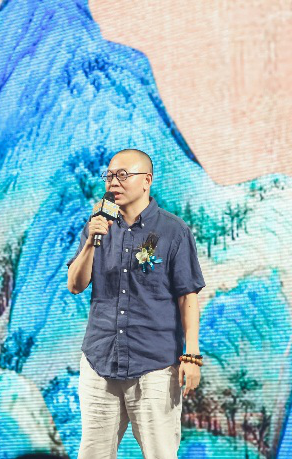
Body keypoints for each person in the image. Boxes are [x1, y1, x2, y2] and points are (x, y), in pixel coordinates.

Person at [66, 148, 205, 459]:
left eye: (123, 175)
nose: (113, 182)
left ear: (147, 181)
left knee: (160, 453)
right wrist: (91, 242)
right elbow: (75, 285)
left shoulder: (173, 231)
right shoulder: (97, 226)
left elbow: (188, 296)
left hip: (154, 365)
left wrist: (192, 355)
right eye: (109, 176)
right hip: (100, 360)